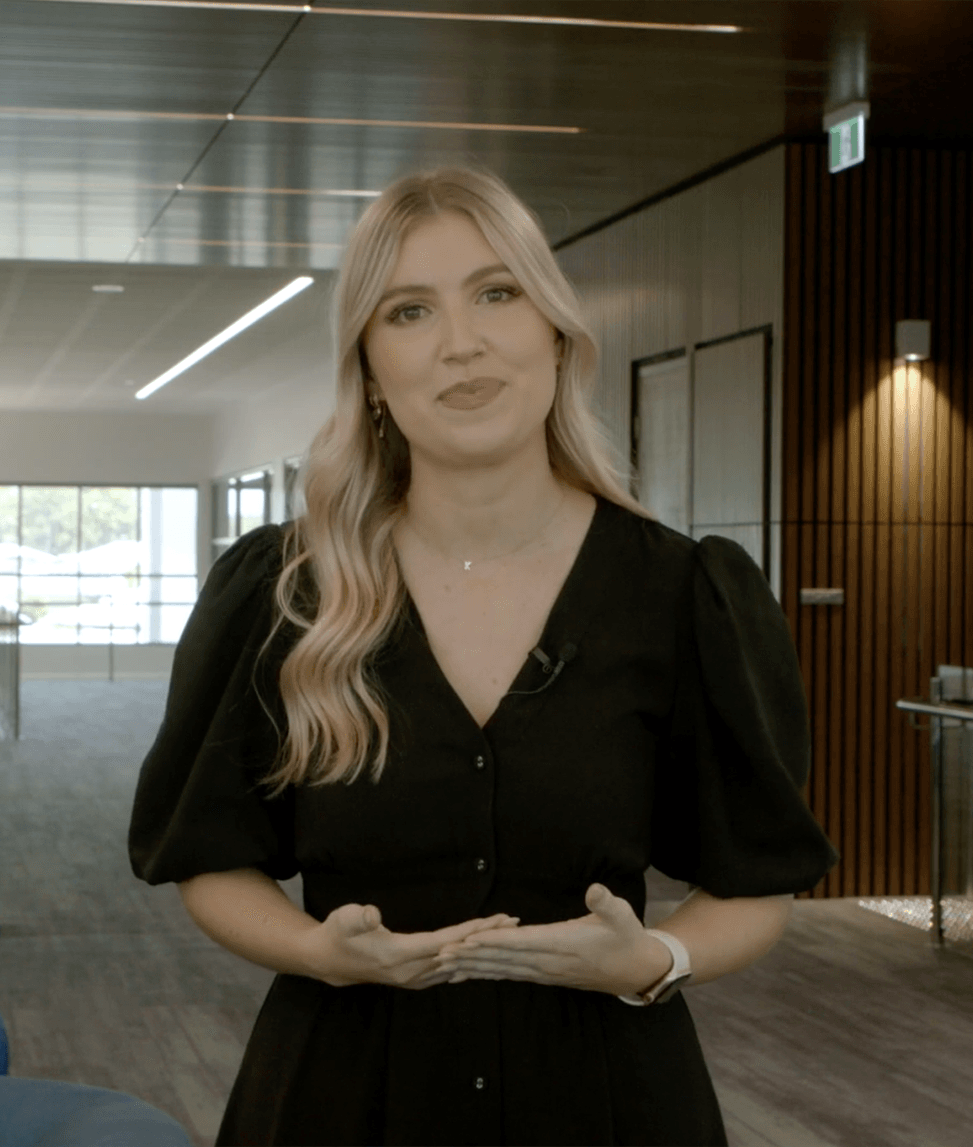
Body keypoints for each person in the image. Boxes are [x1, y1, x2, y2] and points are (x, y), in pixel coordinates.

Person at [128, 166, 838, 1146]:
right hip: (344, 1093)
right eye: (409, 311)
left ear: (554, 330)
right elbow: (211, 859)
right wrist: (318, 950)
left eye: (496, 294)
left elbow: (756, 880)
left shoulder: (682, 592)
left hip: (605, 1097)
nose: (462, 343)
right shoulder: (284, 592)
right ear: (371, 369)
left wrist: (656, 957)